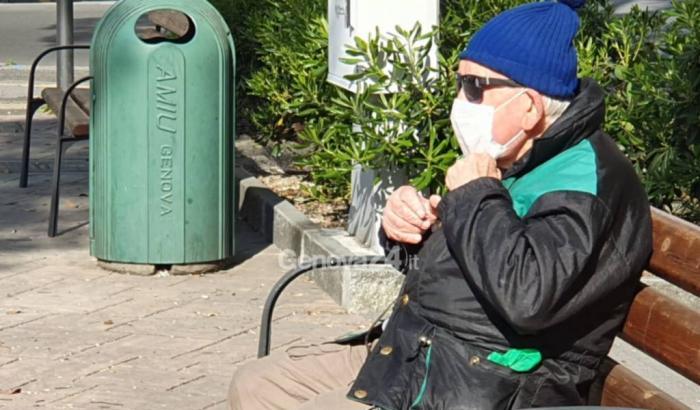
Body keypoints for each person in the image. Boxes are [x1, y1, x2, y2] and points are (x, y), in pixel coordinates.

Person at [228, 0, 653, 408]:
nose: (460, 101)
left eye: (474, 87)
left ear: (528, 106)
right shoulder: (517, 154)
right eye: (459, 82)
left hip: (486, 385)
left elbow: (528, 296)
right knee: (258, 385)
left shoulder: (583, 182)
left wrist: (474, 195)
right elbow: (481, 255)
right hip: (425, 353)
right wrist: (409, 232)